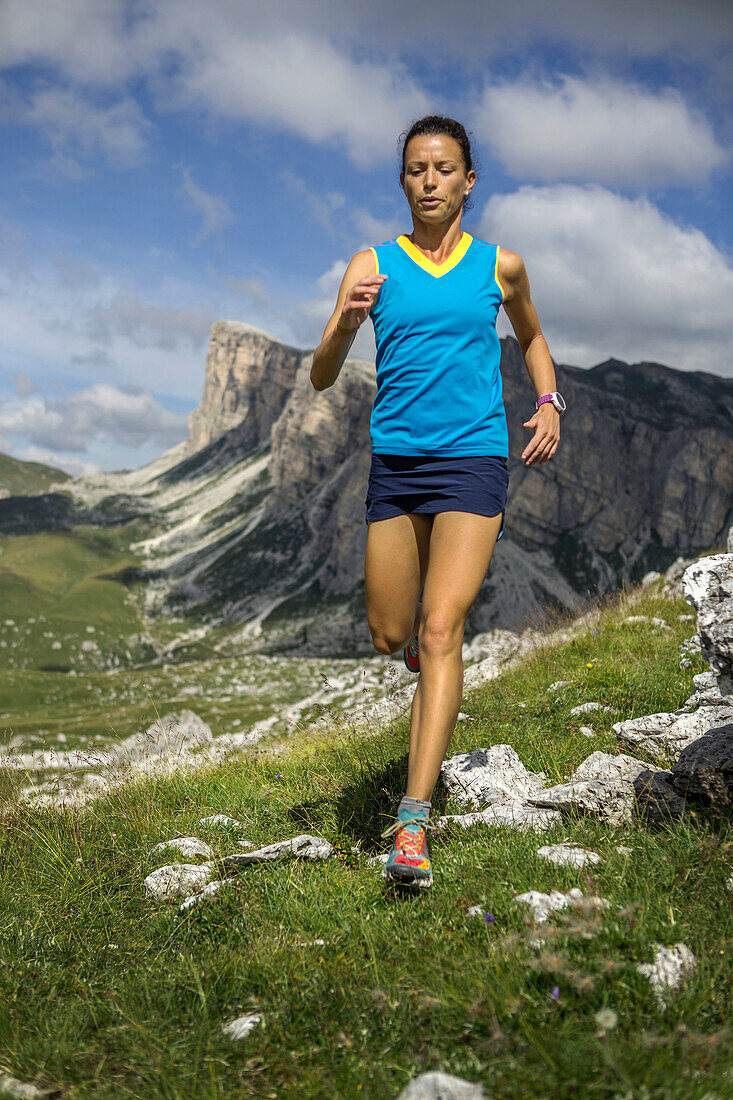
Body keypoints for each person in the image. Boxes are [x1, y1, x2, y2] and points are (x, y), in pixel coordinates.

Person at [310, 115, 565, 888]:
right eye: (416, 169)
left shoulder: (501, 267)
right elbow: (322, 374)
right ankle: (425, 655)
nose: (429, 180)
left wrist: (549, 400)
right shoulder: (370, 265)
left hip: (472, 462)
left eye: (443, 168)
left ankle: (412, 824)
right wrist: (348, 321)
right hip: (397, 465)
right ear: (403, 183)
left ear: (467, 180)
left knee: (440, 623)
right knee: (391, 635)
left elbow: (530, 338)